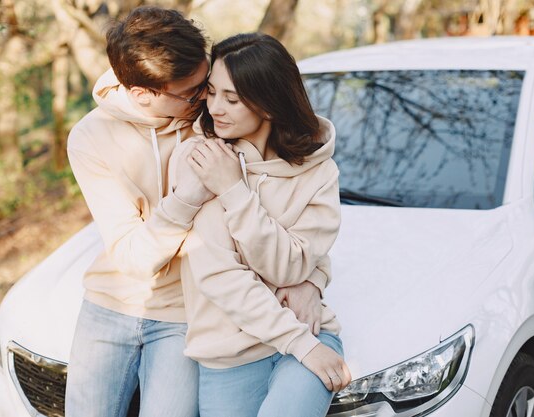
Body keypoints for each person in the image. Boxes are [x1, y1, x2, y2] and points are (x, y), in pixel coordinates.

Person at [65, 7, 323, 417]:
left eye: (209, 83)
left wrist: (313, 279)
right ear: (143, 93)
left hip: (187, 314)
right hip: (108, 305)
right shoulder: (90, 138)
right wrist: (188, 195)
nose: (207, 98)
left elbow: (291, 208)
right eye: (194, 92)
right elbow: (135, 259)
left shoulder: (220, 120)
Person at [172, 33, 352, 417]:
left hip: (311, 335)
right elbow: (221, 277)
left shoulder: (318, 171)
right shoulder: (200, 159)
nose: (216, 108)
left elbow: (291, 265)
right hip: (230, 357)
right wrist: (301, 338)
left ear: (269, 105)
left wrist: (234, 192)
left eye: (232, 99)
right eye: (212, 92)